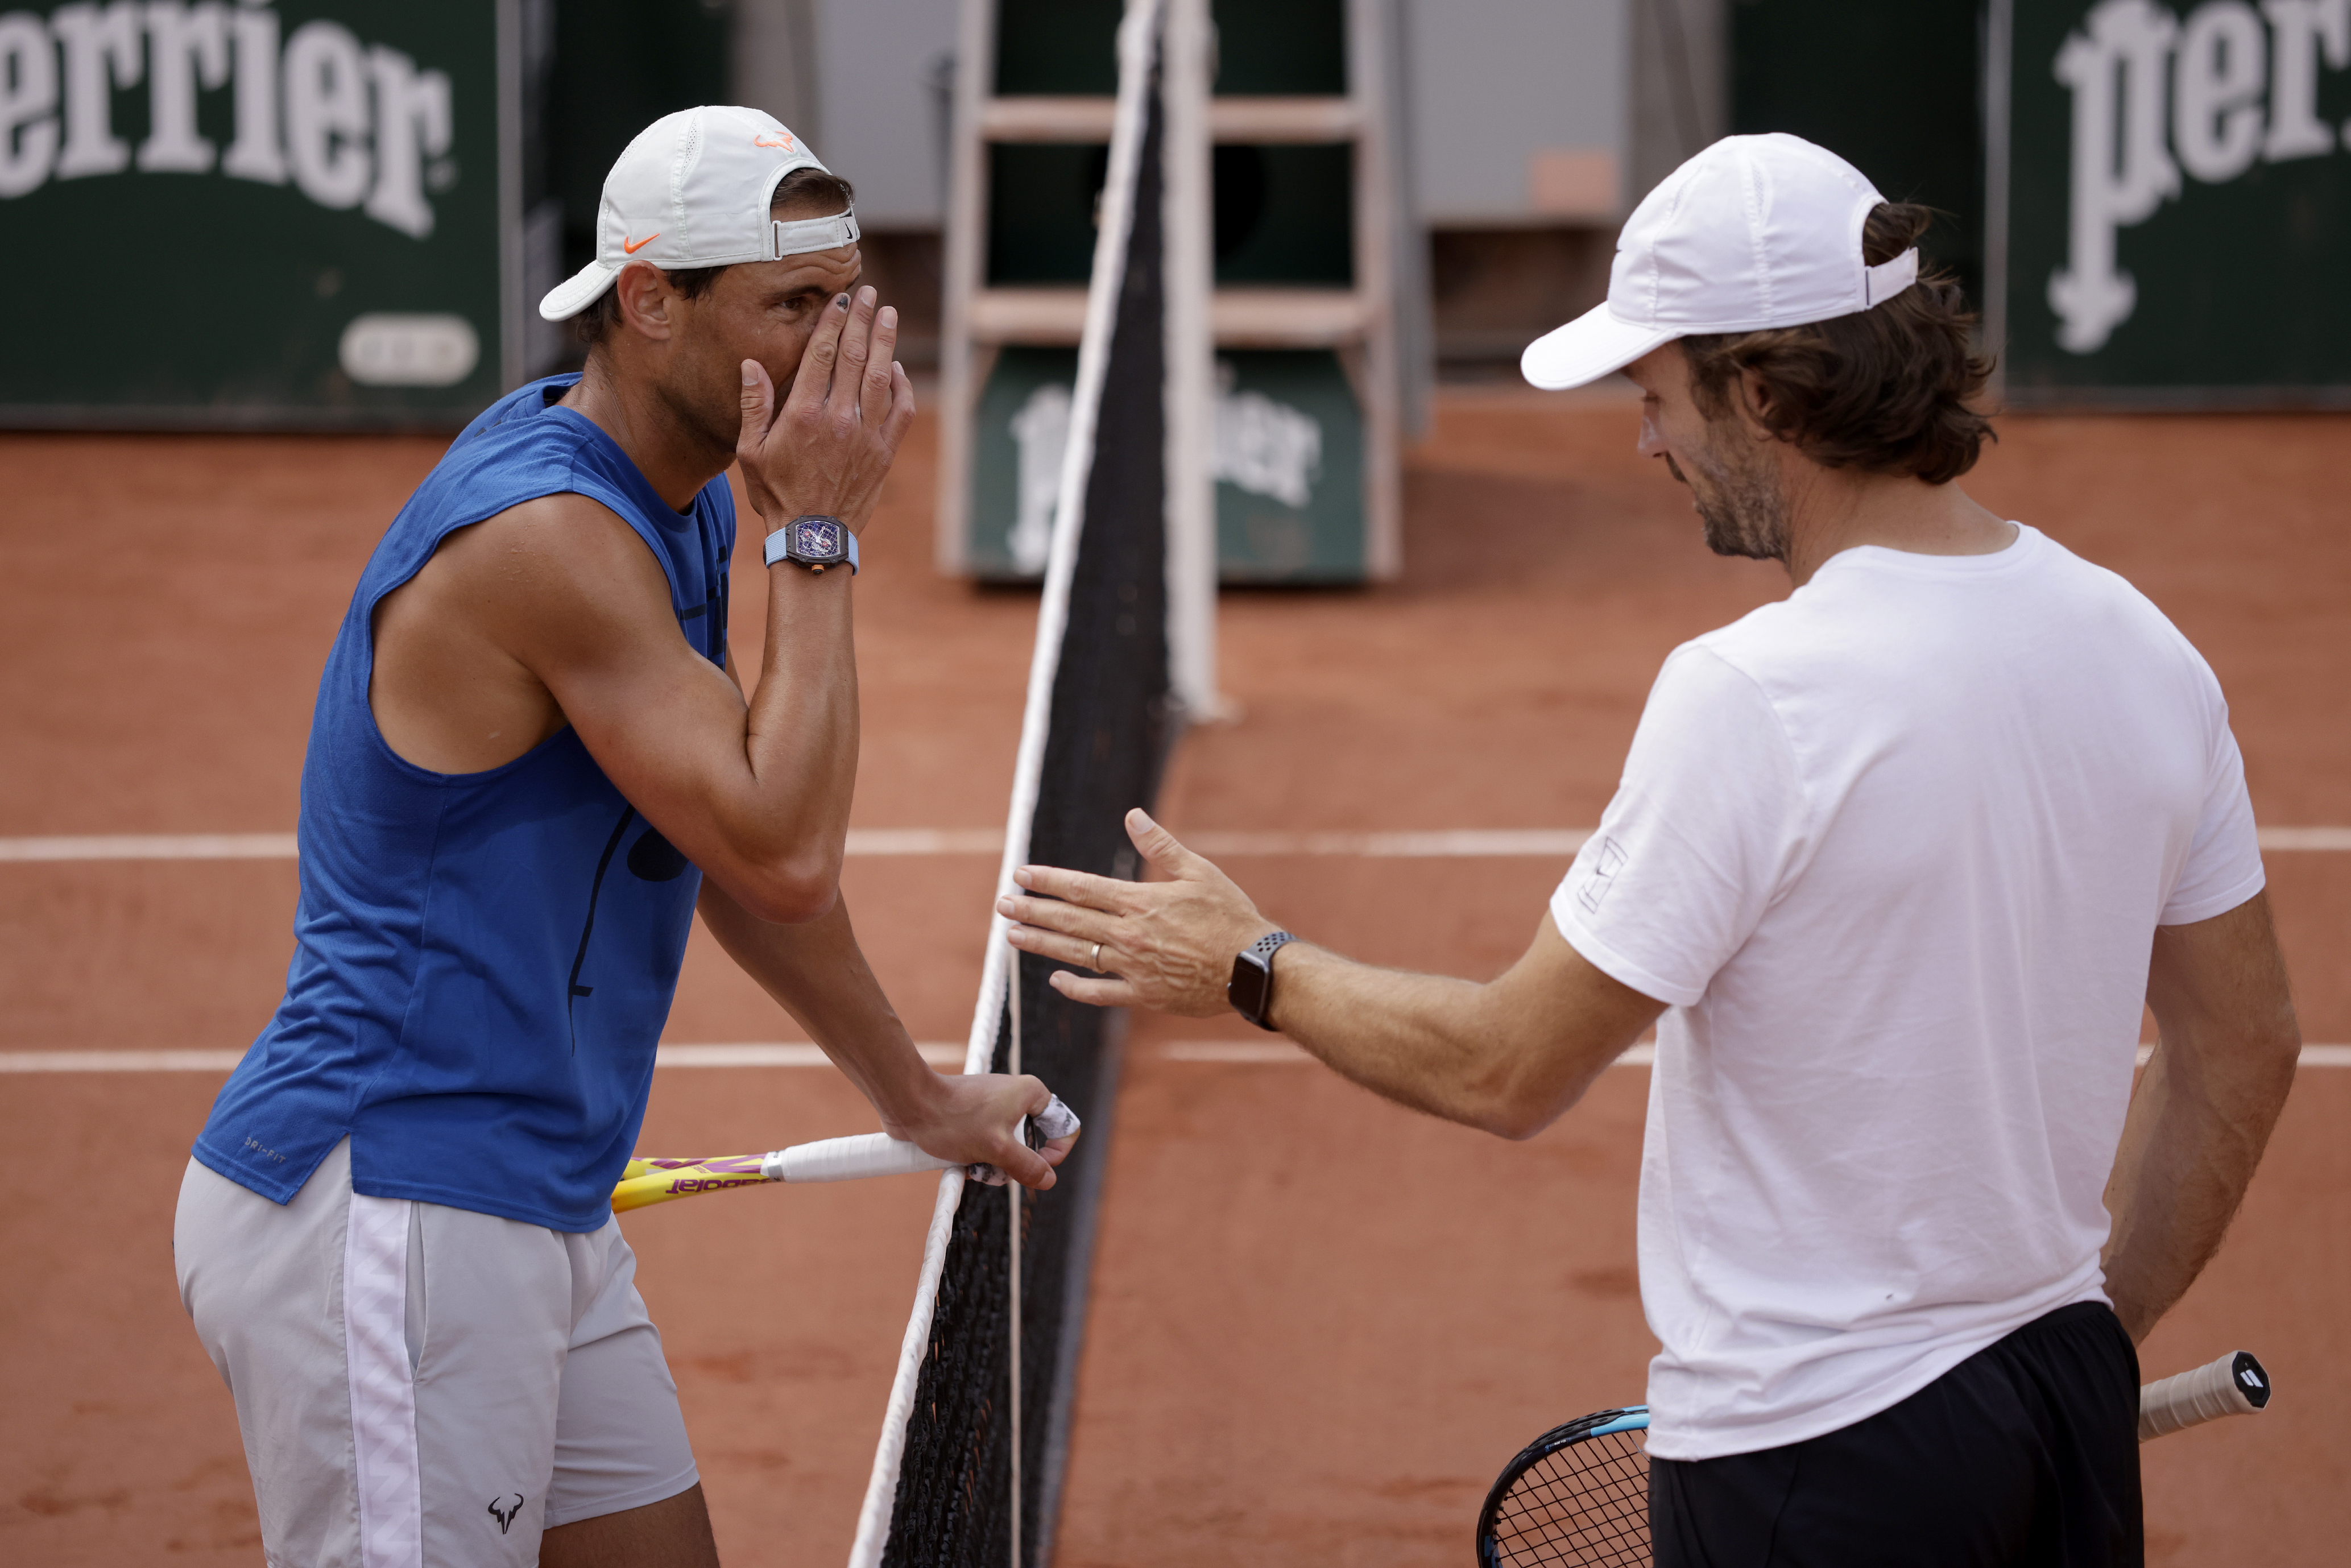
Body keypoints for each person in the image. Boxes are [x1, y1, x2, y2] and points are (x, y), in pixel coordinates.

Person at [998, 134, 2299, 1565]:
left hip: (1815, 1454)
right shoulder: (2146, 649)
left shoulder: (1754, 694)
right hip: (2053, 1412)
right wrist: (2090, 1334)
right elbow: (2244, 1045)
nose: (1646, 440)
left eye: (1656, 393)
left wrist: (1250, 962)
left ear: (1760, 391)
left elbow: (1508, 1063)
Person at [173, 106, 1074, 1568]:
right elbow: (785, 851)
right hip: (394, 1209)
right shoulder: (552, 540)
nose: (842, 345)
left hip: (535, 1196)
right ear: (651, 302)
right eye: (794, 306)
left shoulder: (679, 505)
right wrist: (820, 542)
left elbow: (725, 840)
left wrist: (913, 1094)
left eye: (848, 299)